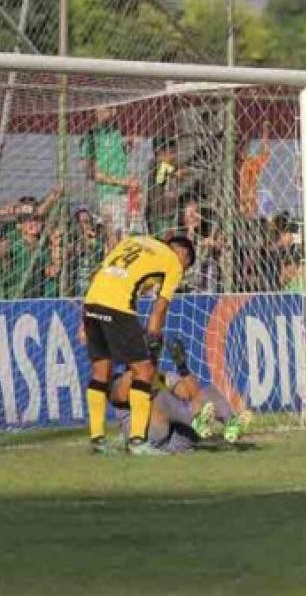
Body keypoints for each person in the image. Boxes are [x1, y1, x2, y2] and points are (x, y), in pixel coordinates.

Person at [82, 234, 195, 455]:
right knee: (144, 370)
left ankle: (97, 439)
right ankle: (137, 442)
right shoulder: (173, 264)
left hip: (92, 301)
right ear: (182, 254)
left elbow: (99, 274)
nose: (184, 272)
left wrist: (82, 320)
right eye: (187, 266)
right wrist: (153, 339)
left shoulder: (134, 240)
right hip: (117, 307)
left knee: (100, 371)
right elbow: (159, 308)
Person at [109, 340, 251, 453]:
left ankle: (232, 424)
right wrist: (138, 364)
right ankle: (196, 420)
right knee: (161, 397)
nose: (154, 358)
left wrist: (182, 366)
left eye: (154, 354)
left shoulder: (163, 377)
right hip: (146, 441)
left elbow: (193, 395)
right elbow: (120, 396)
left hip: (176, 441)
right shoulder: (121, 380)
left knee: (210, 391)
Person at [83, 106, 138, 248]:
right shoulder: (90, 137)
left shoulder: (117, 133)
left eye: (108, 109)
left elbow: (118, 159)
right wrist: (122, 182)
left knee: (126, 240)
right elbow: (91, 173)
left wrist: (128, 145)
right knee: (113, 241)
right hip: (107, 196)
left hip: (125, 195)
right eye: (100, 110)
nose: (102, 113)